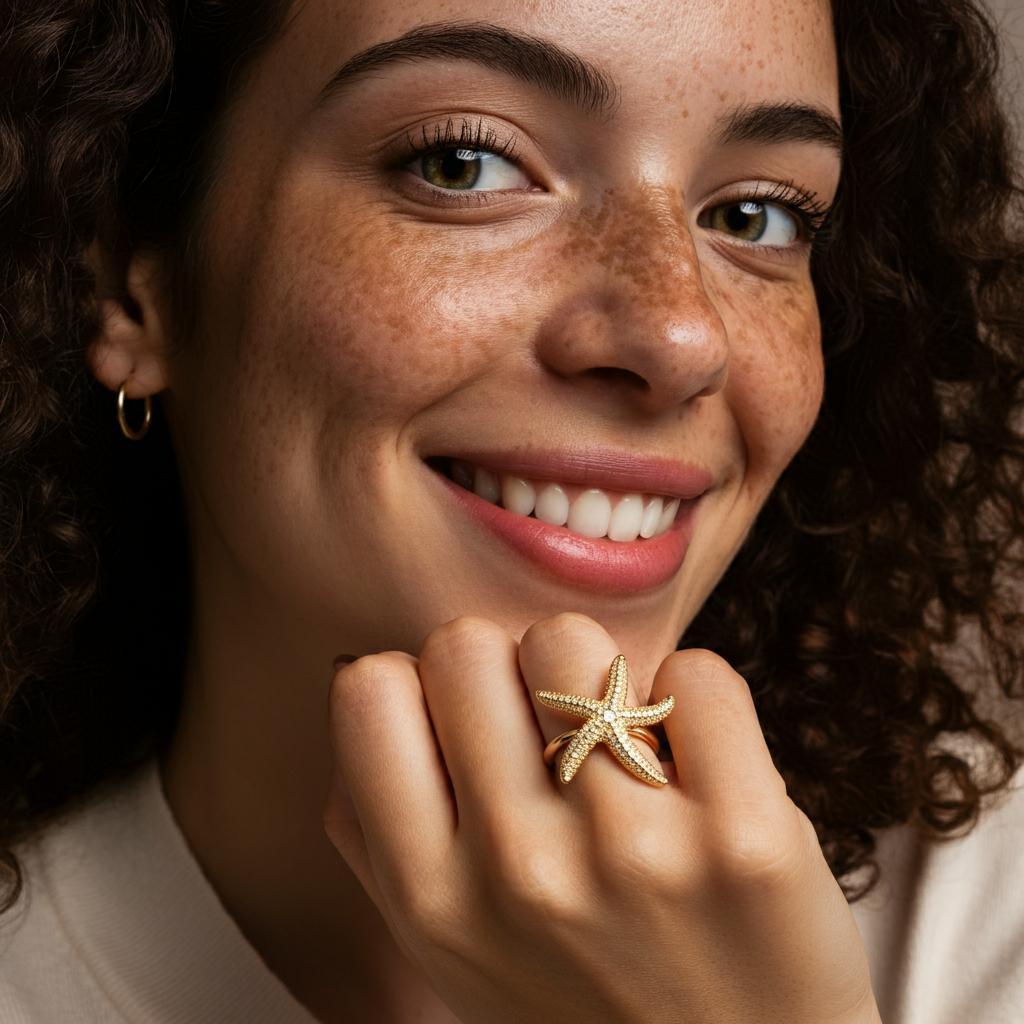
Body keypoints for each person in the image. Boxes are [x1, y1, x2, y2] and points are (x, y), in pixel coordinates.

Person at [1, 0, 1022, 1021]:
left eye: (756, 215)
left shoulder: (989, 908)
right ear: (132, 285)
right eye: (463, 163)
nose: (679, 334)